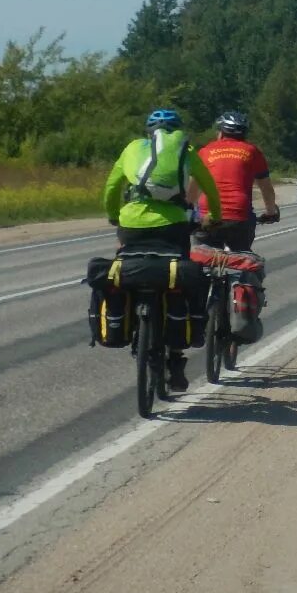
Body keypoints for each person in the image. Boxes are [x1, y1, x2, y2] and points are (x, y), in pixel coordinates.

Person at [101, 108, 222, 391]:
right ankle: (176, 359)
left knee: (127, 268)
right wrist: (214, 216)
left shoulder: (132, 149)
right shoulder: (187, 152)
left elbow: (111, 187)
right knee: (178, 280)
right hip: (173, 227)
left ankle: (129, 323)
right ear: (177, 133)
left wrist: (113, 215)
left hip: (131, 225)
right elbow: (210, 188)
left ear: (148, 132)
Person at [195, 110, 279, 251]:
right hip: (239, 215)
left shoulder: (205, 151)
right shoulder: (252, 152)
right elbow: (266, 189)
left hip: (207, 215)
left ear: (220, 133)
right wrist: (271, 212)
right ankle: (245, 271)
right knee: (242, 256)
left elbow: (193, 189)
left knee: (203, 258)